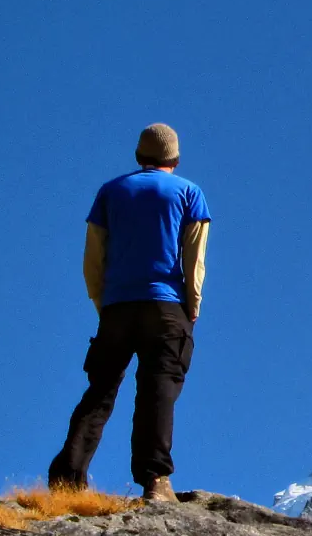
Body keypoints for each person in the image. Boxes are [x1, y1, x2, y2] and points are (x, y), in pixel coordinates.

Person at [48, 123, 212, 502]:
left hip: (117, 308)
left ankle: (68, 476)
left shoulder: (110, 192)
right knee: (158, 390)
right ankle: (154, 480)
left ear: (139, 157)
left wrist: (103, 303)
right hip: (166, 305)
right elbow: (195, 258)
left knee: (101, 390)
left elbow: (93, 260)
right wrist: (192, 307)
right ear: (175, 159)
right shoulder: (189, 193)